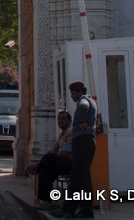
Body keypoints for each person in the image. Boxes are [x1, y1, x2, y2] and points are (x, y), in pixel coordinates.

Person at [51, 81, 97, 218]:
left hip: (84, 141)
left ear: (79, 92)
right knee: (76, 178)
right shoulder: (87, 101)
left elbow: (83, 107)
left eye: (73, 93)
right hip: (83, 141)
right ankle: (69, 208)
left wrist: (80, 121)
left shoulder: (84, 101)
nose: (71, 96)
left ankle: (86, 210)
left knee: (82, 178)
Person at [30, 111, 73, 210]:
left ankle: (37, 166)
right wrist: (45, 160)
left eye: (63, 119)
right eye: (59, 119)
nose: (60, 121)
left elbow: (65, 152)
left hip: (70, 163)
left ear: (69, 120)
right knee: (45, 169)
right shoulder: (62, 133)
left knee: (48, 159)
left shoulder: (70, 132)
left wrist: (43, 161)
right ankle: (47, 201)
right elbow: (54, 149)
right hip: (62, 163)